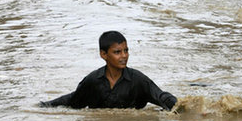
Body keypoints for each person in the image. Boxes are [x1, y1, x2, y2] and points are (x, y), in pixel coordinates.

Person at [39, 31, 177, 110]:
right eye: (117, 52)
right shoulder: (92, 81)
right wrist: (44, 106)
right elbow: (73, 101)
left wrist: (182, 105)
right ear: (103, 55)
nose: (124, 56)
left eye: (126, 51)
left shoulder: (138, 80)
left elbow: (161, 96)